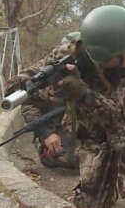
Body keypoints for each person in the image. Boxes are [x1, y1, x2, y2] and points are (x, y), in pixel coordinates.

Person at [48, 5, 125, 207]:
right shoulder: (68, 54)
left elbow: (116, 116)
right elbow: (27, 86)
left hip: (118, 121)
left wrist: (81, 91)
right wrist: (46, 129)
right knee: (92, 202)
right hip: (86, 128)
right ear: (107, 55)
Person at [5, 32, 82, 169]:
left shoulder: (90, 67)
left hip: (83, 119)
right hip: (56, 123)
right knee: (67, 158)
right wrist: (45, 133)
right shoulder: (46, 67)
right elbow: (21, 96)